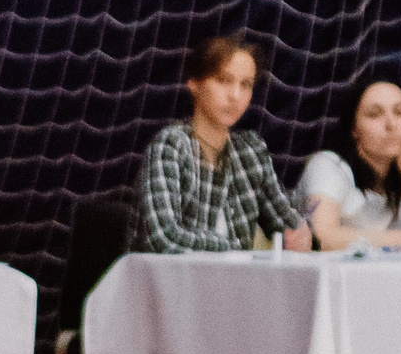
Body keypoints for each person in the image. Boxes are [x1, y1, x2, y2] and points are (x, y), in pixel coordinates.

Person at [130, 32, 312, 254]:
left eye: (246, 85)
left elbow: (287, 224)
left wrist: (301, 233)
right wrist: (235, 251)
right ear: (194, 84)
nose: (235, 95)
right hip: (171, 284)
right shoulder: (171, 145)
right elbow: (162, 238)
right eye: (224, 81)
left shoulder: (250, 150)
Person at [298, 68, 401, 252]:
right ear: (354, 129)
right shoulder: (328, 165)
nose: (391, 124)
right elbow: (322, 237)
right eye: (375, 114)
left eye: (400, 112)